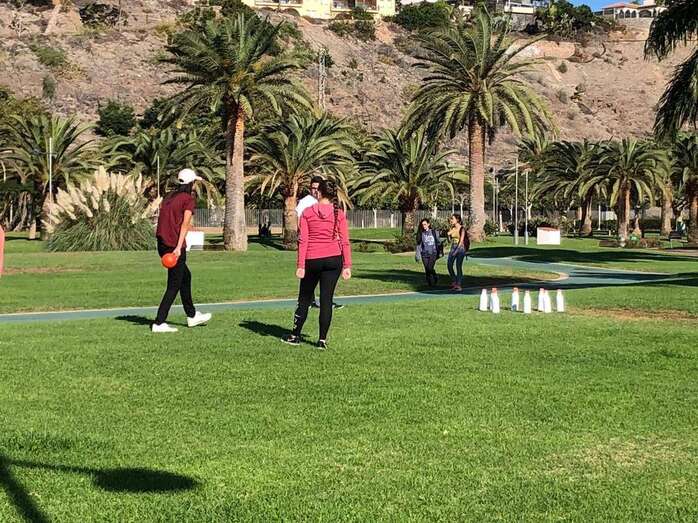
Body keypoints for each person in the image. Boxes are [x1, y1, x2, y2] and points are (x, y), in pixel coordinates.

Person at [283, 180, 352, 350]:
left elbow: (303, 241)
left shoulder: (307, 212)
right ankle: (322, 340)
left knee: (304, 299)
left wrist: (300, 265)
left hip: (312, 260)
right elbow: (345, 241)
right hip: (334, 260)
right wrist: (347, 265)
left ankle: (295, 335)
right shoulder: (339, 213)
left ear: (319, 193)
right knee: (326, 300)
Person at [152, 168, 211, 333]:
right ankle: (159, 322)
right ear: (191, 183)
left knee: (186, 277)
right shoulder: (188, 199)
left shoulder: (169, 197)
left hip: (162, 244)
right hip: (174, 246)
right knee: (174, 285)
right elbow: (185, 224)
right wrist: (178, 247)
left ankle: (192, 315)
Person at [295, 176, 344, 311]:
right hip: (314, 250)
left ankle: (316, 304)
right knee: (308, 287)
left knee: (324, 294)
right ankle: (310, 301)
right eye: (313, 188)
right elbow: (301, 227)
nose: (315, 191)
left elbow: (343, 238)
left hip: (324, 254)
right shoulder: (306, 203)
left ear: (321, 191)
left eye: (317, 188)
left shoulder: (334, 209)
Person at [415, 218, 441, 287]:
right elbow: (419, 245)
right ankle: (430, 283)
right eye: (422, 225)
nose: (424, 226)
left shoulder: (434, 232)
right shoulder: (421, 233)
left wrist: (440, 250)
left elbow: (438, 242)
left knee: (429, 268)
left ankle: (435, 276)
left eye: (425, 224)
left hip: (433, 253)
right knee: (427, 269)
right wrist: (417, 255)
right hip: (424, 254)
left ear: (428, 224)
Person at [446, 214, 469, 291]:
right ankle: (454, 281)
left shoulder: (462, 229)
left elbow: (461, 241)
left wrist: (456, 251)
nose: (451, 220)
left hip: (461, 248)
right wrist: (448, 235)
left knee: (458, 266)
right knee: (449, 265)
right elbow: (449, 240)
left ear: (457, 220)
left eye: (452, 219)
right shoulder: (452, 228)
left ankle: (458, 285)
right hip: (453, 246)